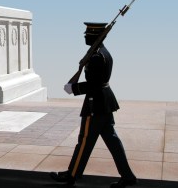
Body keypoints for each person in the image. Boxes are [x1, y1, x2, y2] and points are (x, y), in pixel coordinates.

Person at [49, 22, 137, 188]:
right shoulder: (103, 53)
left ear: (95, 36)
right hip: (105, 102)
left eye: (88, 35)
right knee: (112, 141)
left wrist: (73, 88)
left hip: (95, 104)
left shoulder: (97, 56)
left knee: (84, 142)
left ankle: (72, 174)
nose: (85, 37)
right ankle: (128, 176)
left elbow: (94, 84)